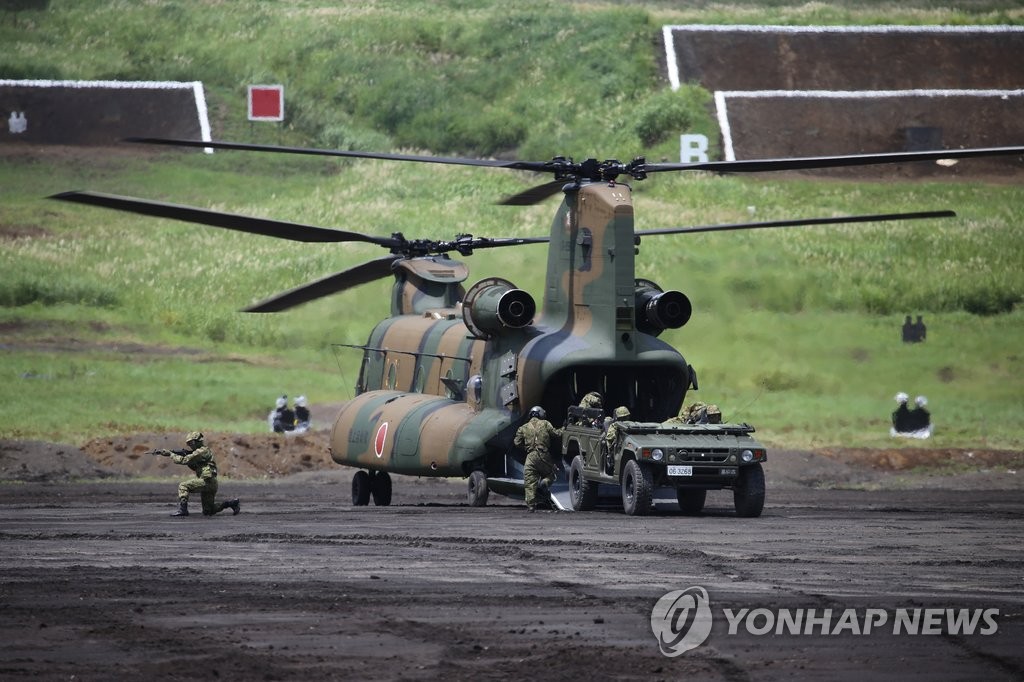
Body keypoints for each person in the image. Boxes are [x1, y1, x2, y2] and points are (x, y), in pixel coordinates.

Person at [149, 431, 239, 517]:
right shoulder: (202, 452)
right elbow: (194, 467)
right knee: (208, 511)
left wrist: (171, 454)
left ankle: (183, 510)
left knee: (183, 486)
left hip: (207, 481)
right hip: (210, 482)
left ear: (198, 441)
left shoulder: (201, 451)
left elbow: (183, 460)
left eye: (191, 443)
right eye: (189, 444)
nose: (190, 445)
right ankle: (231, 504)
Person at [514, 406, 563, 512]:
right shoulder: (545, 423)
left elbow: (516, 442)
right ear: (540, 414)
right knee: (552, 473)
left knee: (530, 481)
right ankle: (545, 481)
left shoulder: (523, 428)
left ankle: (531, 506)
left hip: (531, 456)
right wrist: (565, 428)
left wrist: (527, 448)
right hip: (544, 455)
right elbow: (556, 434)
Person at [603, 406, 632, 473]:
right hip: (616, 449)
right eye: (624, 417)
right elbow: (610, 438)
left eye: (627, 417)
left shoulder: (630, 425)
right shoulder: (613, 426)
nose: (627, 418)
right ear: (619, 418)